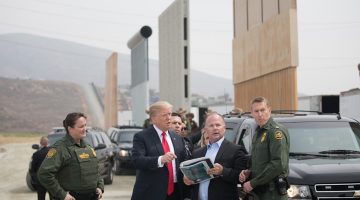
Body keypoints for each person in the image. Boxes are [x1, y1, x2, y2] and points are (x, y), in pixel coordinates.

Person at [38, 112, 104, 200]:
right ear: (70, 128)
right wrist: (62, 194)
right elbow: (44, 174)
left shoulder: (88, 147)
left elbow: (96, 170)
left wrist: (100, 186)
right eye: (81, 127)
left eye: (85, 125)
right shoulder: (60, 148)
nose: (85, 129)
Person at [183, 112, 248, 200]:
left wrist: (223, 171)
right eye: (211, 125)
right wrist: (188, 180)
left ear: (224, 128)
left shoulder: (236, 150)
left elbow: (241, 179)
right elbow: (193, 182)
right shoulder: (197, 153)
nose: (215, 128)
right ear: (205, 130)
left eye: (218, 125)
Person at [131, 101, 187, 200]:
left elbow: (184, 161)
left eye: (169, 114)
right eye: (164, 115)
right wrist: (160, 160)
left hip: (176, 193)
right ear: (153, 118)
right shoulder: (142, 137)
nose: (169, 117)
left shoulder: (177, 138)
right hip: (151, 193)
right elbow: (137, 161)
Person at [239, 96, 290, 200]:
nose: (260, 114)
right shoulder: (258, 132)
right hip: (260, 193)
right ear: (252, 113)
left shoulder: (275, 132)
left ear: (269, 110)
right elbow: (260, 161)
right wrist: (249, 171)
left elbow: (278, 164)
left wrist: (253, 183)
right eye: (256, 111)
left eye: (263, 110)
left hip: (273, 193)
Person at [170, 112, 193, 200]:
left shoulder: (186, 141)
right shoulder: (161, 143)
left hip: (185, 187)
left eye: (179, 123)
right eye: (174, 123)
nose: (177, 126)